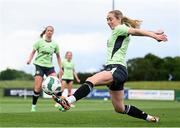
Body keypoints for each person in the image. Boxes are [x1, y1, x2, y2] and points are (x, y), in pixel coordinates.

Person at [53, 10, 167, 122]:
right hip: (117, 70)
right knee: (120, 108)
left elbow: (136, 32)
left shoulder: (119, 28)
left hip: (116, 68)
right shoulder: (121, 30)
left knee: (91, 80)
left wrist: (153, 36)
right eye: (107, 19)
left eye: (110, 19)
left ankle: (68, 101)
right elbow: (136, 30)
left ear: (119, 19)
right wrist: (154, 33)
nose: (108, 21)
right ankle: (150, 118)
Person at [27, 25, 63, 112]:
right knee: (38, 87)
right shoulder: (39, 42)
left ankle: (60, 104)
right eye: (48, 30)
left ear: (53, 33)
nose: (50, 32)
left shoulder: (55, 44)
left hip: (50, 67)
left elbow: (58, 56)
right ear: (45, 32)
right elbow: (33, 52)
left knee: (57, 85)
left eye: (51, 31)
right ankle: (33, 106)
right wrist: (29, 60)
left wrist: (60, 68)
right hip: (39, 65)